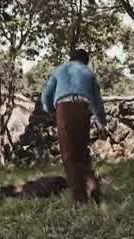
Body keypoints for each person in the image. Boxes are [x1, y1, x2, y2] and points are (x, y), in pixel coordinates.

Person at [41, 48, 106, 205]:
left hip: (64, 108)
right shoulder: (89, 73)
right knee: (82, 153)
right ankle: (94, 189)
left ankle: (80, 201)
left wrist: (49, 110)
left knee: (69, 156)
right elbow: (97, 101)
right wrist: (102, 122)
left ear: (71, 59)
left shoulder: (60, 70)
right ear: (85, 61)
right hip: (83, 108)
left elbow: (46, 95)